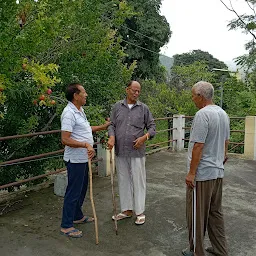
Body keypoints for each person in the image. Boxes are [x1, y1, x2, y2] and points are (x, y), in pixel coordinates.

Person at [182, 81, 229, 256]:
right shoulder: (223, 114)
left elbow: (198, 146)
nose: (193, 99)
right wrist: (220, 159)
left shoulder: (202, 114)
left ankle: (196, 251)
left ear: (201, 96)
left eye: (193, 95)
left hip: (202, 175)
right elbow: (226, 143)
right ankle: (220, 249)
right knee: (215, 213)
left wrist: (192, 173)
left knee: (196, 214)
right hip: (217, 172)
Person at [60, 83, 110, 238]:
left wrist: (104, 126)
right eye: (84, 92)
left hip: (83, 159)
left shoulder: (79, 111)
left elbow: (86, 129)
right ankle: (66, 225)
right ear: (76, 95)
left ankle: (77, 215)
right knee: (73, 191)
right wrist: (85, 144)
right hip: (75, 160)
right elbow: (65, 139)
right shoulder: (68, 113)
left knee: (82, 189)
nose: (86, 94)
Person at [108, 80, 156, 225]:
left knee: (138, 180)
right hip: (121, 151)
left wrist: (144, 137)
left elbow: (152, 127)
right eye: (134, 90)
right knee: (123, 180)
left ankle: (140, 212)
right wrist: (111, 137)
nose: (136, 93)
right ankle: (127, 210)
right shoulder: (117, 107)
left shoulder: (143, 108)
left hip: (137, 151)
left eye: (138, 91)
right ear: (127, 89)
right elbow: (111, 125)